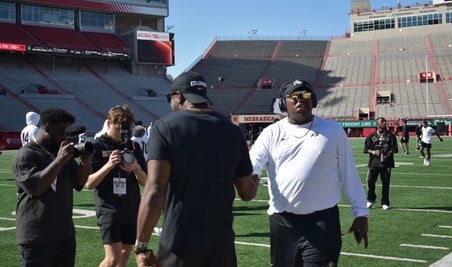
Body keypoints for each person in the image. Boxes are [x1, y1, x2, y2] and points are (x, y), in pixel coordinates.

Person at [135, 71, 259, 267]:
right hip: (222, 243)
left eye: (170, 98)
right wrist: (255, 183)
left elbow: (155, 190)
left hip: (180, 243)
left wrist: (141, 245)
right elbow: (247, 193)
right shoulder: (233, 131)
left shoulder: (165, 127)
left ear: (179, 96)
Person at [249, 80, 369, 267]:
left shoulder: (333, 131)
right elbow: (252, 166)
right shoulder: (270, 133)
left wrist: (361, 213)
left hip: (322, 221)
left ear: (313, 100)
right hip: (283, 222)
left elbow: (349, 173)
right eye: (294, 96)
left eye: (305, 95)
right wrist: (249, 179)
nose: (300, 100)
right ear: (283, 103)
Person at [13, 108, 91, 267]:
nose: (65, 137)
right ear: (47, 128)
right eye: (62, 132)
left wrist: (85, 162)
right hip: (37, 236)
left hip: (65, 234)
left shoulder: (61, 153)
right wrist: (59, 160)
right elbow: (36, 188)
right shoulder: (26, 154)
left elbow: (79, 182)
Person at [86, 104, 148, 267]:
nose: (123, 134)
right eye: (119, 128)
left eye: (126, 130)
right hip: (109, 209)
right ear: (109, 123)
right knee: (112, 259)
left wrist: (136, 168)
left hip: (130, 207)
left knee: (123, 257)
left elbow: (147, 182)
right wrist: (108, 165)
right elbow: (89, 183)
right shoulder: (98, 145)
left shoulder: (133, 146)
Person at [364, 117, 398, 211]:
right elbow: (366, 149)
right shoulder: (371, 136)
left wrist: (386, 155)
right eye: (382, 122)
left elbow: (394, 148)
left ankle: (385, 202)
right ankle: (371, 199)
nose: (384, 123)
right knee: (370, 181)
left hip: (386, 164)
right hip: (374, 163)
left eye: (385, 121)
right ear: (377, 124)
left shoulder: (390, 136)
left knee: (385, 184)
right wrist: (374, 152)